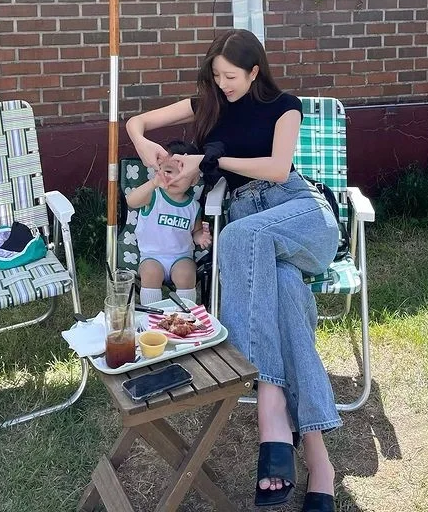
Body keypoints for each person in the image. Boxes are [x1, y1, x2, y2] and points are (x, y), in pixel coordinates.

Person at [126, 29, 339, 512]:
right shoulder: (206, 105)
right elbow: (138, 122)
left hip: (297, 214)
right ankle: (319, 460)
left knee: (240, 238)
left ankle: (270, 408)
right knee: (285, 291)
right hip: (248, 225)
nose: (222, 85)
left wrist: (210, 159)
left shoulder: (285, 106)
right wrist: (146, 146)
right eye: (216, 76)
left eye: (231, 77)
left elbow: (279, 169)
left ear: (254, 71)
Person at [126, 140, 212, 308]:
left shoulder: (193, 206)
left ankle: (184, 314)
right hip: (151, 256)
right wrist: (153, 183)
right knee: (151, 273)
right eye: (168, 171)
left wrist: (201, 237)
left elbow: (195, 231)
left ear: (194, 179)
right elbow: (131, 201)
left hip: (181, 256)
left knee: (187, 274)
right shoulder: (153, 196)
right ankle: (152, 315)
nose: (173, 178)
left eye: (181, 174)